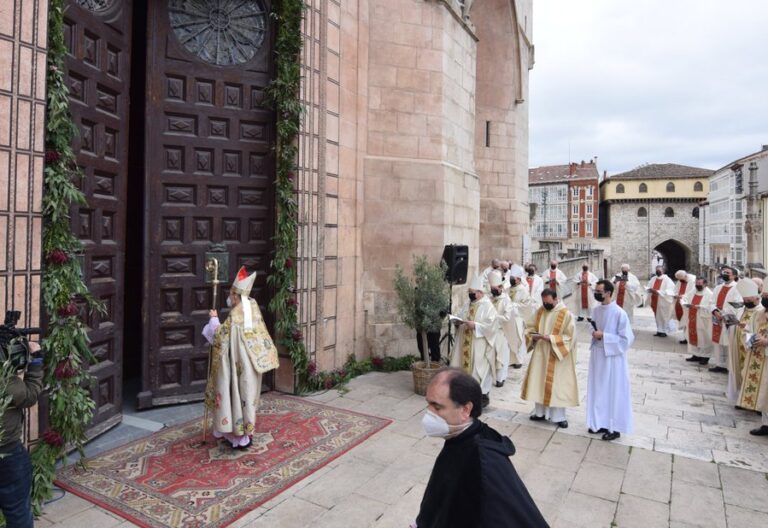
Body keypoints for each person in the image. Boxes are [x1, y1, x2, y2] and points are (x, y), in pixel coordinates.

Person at [414, 368, 549, 528]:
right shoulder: (460, 437)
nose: (428, 413)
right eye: (428, 404)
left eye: (437, 407)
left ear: (465, 410)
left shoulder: (485, 459)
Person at [203, 266, 279, 448]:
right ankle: (246, 432)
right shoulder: (252, 308)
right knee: (248, 397)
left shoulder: (237, 316)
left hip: (237, 367)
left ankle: (239, 436)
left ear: (237, 295)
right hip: (251, 366)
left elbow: (220, 337)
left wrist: (213, 320)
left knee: (237, 396)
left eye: (231, 293)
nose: (229, 296)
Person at [0, 340, 43, 528]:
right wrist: (35, 361)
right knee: (17, 512)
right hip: (8, 454)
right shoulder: (6, 383)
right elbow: (30, 395)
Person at [521, 288, 578, 428]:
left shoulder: (566, 314)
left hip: (557, 355)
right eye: (544, 302)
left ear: (556, 299)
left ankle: (559, 417)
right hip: (541, 353)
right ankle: (539, 413)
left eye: (548, 303)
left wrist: (551, 338)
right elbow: (529, 326)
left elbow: (570, 337)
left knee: (557, 386)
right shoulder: (540, 311)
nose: (545, 305)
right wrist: (532, 335)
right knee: (539, 381)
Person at [587, 280, 635, 441]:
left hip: (613, 359)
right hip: (598, 356)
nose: (596, 293)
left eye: (599, 291)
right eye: (596, 290)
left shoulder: (619, 313)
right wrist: (594, 333)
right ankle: (599, 422)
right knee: (598, 390)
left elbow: (626, 339)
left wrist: (604, 336)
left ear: (608, 292)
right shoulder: (596, 310)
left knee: (613, 391)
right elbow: (592, 329)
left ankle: (614, 427)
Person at [450, 276, 498, 407]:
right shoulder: (468, 304)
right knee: (464, 370)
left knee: (478, 371)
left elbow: (492, 326)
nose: (470, 294)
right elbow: (460, 315)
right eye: (469, 292)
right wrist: (456, 321)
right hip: (465, 342)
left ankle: (482, 397)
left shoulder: (488, 307)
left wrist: (476, 325)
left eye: (473, 292)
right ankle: (465, 396)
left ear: (481, 293)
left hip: (479, 345)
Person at [736, 289, 768, 436]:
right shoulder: (758, 314)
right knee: (763, 391)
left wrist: (766, 341)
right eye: (764, 296)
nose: (765, 298)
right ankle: (766, 424)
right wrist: (752, 340)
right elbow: (748, 330)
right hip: (757, 356)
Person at [727, 278, 762, 403]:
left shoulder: (760, 311)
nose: (745, 301)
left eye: (748, 299)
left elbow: (760, 330)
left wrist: (744, 327)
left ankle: (753, 401)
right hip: (738, 345)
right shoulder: (743, 308)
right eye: (745, 299)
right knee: (739, 372)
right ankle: (741, 398)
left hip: (752, 348)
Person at [709, 266, 743, 374]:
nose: (724, 273)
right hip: (717, 319)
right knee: (718, 342)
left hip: (728, 320)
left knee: (728, 342)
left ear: (734, 275)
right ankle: (720, 364)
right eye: (724, 272)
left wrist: (723, 314)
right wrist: (715, 311)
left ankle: (729, 366)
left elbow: (737, 304)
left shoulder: (738, 288)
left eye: (727, 272)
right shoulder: (718, 287)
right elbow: (711, 301)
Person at [488, 271, 513, 387]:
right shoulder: (489, 298)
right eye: (491, 288)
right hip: (489, 331)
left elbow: (507, 317)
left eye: (495, 288)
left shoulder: (506, 300)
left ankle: (500, 378)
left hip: (501, 331)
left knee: (501, 355)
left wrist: (495, 317)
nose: (492, 290)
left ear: (501, 287)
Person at [508, 267, 535, 367]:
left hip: (518, 318)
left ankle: (518, 360)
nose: (511, 280)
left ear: (518, 279)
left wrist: (513, 306)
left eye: (513, 278)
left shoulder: (523, 290)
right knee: (508, 338)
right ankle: (510, 360)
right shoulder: (508, 289)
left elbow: (527, 305)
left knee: (518, 338)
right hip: (508, 318)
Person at [684, 277, 714, 365]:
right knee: (693, 335)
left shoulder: (709, 294)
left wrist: (699, 307)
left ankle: (705, 356)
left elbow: (711, 306)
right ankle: (696, 354)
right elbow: (686, 297)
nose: (698, 285)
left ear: (705, 284)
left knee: (704, 338)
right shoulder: (693, 291)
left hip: (703, 319)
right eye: (696, 283)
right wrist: (685, 302)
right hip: (692, 317)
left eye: (700, 284)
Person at [645, 265, 676, 337]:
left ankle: (664, 331)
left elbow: (670, 290)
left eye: (659, 270)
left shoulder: (667, 280)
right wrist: (649, 289)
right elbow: (649, 286)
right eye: (656, 270)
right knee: (657, 317)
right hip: (655, 301)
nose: (657, 271)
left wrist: (658, 292)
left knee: (663, 316)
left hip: (663, 302)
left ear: (663, 271)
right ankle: (659, 330)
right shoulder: (653, 279)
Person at [673, 270, 695, 344]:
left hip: (688, 304)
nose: (680, 281)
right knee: (684, 320)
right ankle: (686, 337)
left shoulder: (693, 280)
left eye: (681, 279)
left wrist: (682, 296)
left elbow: (693, 293)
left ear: (685, 276)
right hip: (680, 304)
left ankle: (689, 338)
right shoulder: (681, 279)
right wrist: (676, 294)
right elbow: (675, 289)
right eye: (679, 280)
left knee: (689, 321)